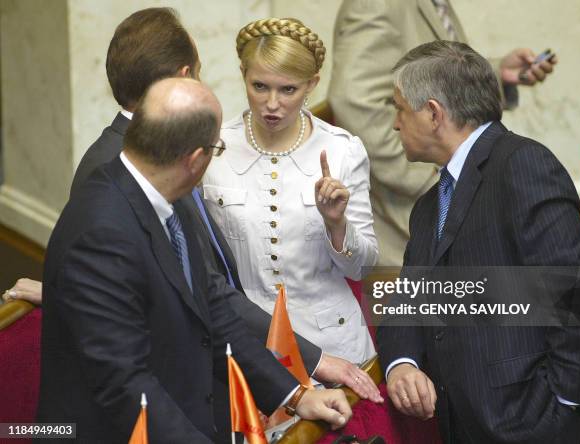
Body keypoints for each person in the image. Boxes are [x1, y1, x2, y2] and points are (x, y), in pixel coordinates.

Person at [5, 7, 381, 439]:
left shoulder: (170, 192)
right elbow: (125, 384)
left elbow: (214, 305)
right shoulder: (102, 226)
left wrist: (292, 394)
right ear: (195, 158)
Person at [376, 40, 580, 443]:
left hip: (537, 425)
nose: (395, 124)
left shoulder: (522, 164)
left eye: (398, 108)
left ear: (432, 113)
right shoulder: (430, 205)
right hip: (463, 426)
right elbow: (409, 302)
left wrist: (565, 405)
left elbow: (575, 291)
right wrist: (401, 364)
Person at [202, 17, 378, 366]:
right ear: (242, 74)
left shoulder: (343, 150)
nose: (271, 104)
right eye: (259, 86)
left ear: (311, 84)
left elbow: (363, 268)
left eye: (288, 90)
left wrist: (337, 224)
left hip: (333, 343)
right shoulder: (212, 147)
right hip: (248, 345)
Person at [328, 0, 558, 266]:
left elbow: (436, 77)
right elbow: (354, 101)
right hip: (403, 233)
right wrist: (435, 181)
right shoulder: (377, 4)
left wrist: (497, 74)